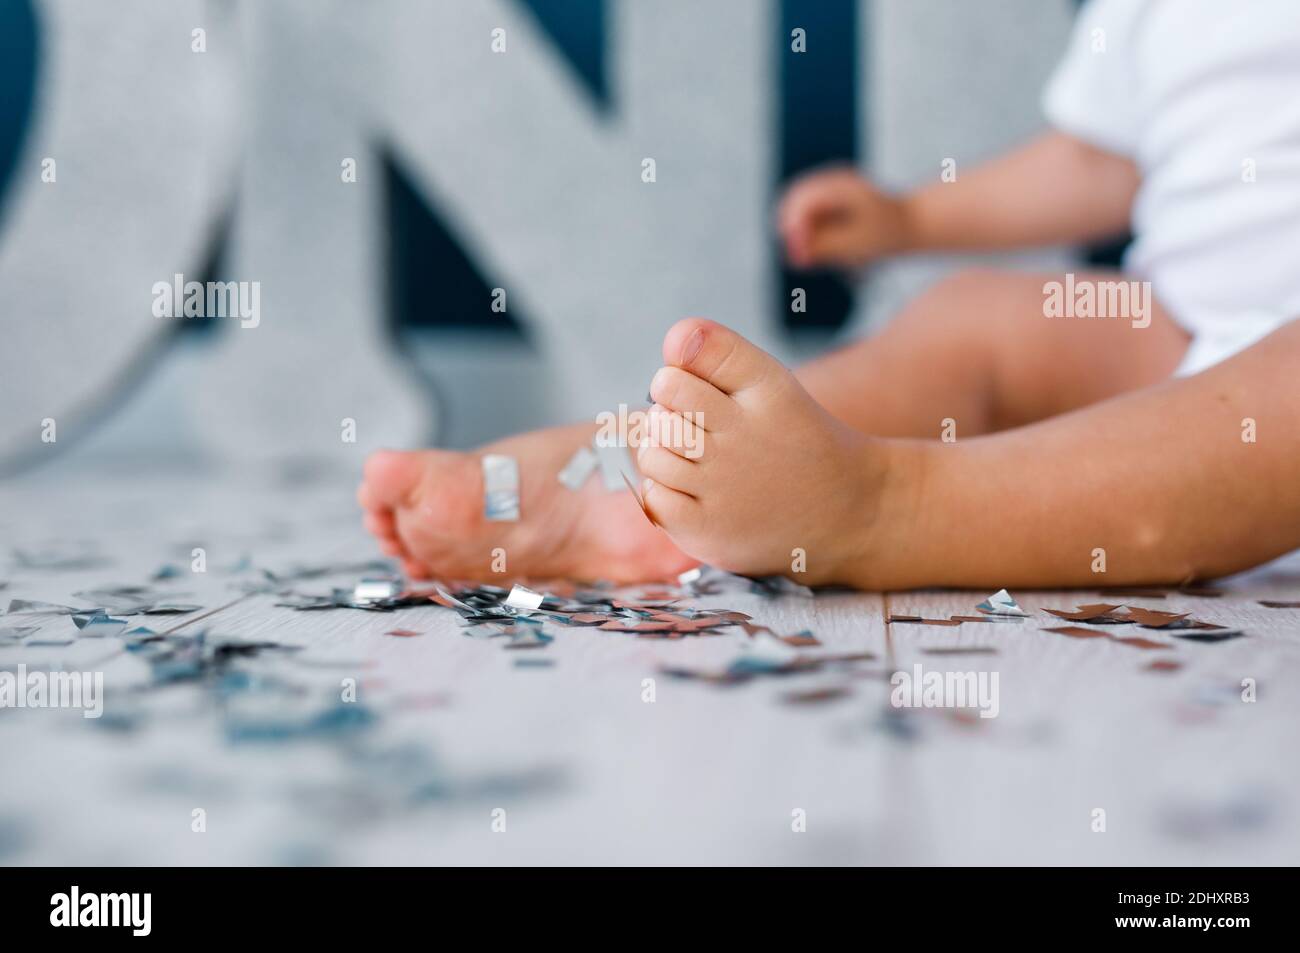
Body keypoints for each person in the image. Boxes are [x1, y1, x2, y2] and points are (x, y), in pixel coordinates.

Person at [358, 0, 1300, 589]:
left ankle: (882, 506)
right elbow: (1098, 158)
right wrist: (911, 220)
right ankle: (622, 482)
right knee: (976, 319)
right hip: (1178, 330)